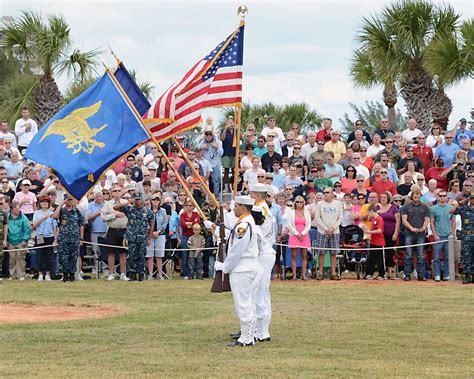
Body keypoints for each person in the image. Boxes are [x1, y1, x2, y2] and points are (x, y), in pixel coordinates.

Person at [211, 195, 260, 347]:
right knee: (248, 302)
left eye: (237, 205)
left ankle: (246, 338)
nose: (234, 208)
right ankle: (249, 335)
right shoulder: (244, 223)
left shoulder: (243, 226)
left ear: (244, 207)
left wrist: (224, 267)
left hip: (242, 268)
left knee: (243, 303)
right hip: (247, 267)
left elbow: (236, 251)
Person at [249, 183, 275, 343]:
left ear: (258, 195)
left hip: (263, 252)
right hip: (264, 252)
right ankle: (255, 327)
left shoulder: (261, 209)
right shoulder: (263, 207)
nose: (251, 196)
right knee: (258, 290)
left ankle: (262, 330)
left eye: (252, 194)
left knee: (260, 289)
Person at [114, 191, 154, 281]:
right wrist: (128, 202)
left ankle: (141, 275)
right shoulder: (129, 209)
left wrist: (149, 238)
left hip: (142, 237)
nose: (137, 201)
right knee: (131, 256)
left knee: (141, 256)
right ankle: (131, 274)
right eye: (135, 199)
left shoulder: (147, 211)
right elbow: (115, 207)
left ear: (142, 199)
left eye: (139, 199)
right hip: (131, 237)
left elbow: (152, 225)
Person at [100, 185, 129, 280]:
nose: (117, 192)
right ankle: (111, 273)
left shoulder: (125, 203)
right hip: (112, 230)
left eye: (119, 191)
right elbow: (103, 217)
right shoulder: (107, 204)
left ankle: (123, 274)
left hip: (124, 230)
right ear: (112, 193)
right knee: (111, 253)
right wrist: (114, 215)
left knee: (123, 253)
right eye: (115, 191)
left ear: (121, 192)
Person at [53, 195, 85, 282]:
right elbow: (55, 216)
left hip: (75, 238)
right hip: (63, 238)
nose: (70, 201)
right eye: (68, 200)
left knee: (73, 257)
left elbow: (81, 224)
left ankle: (72, 275)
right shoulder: (62, 211)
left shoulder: (77, 211)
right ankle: (65, 275)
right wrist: (61, 204)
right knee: (63, 258)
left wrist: (81, 238)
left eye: (71, 200)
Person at [400, 190, 430, 281]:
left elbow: (427, 219)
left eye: (418, 197)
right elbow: (404, 220)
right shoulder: (406, 207)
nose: (417, 199)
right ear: (412, 197)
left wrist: (424, 227)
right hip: (409, 233)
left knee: (421, 255)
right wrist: (411, 228)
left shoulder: (425, 207)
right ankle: (407, 274)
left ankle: (421, 275)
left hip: (420, 234)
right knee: (408, 254)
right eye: (415, 197)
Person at [314, 187, 343, 280]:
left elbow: (340, 218)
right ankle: (321, 273)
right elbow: (317, 218)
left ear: (332, 194)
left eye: (327, 192)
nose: (325, 194)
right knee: (321, 253)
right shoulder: (320, 204)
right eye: (324, 192)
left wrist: (333, 228)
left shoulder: (338, 204)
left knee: (333, 253)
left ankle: (333, 273)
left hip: (335, 232)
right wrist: (326, 229)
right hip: (322, 232)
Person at [430, 190, 455, 282]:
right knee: (436, 257)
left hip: (448, 236)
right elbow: (431, 222)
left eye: (444, 196)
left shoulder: (451, 208)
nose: (442, 197)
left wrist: (453, 233)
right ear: (437, 197)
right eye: (440, 196)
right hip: (438, 236)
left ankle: (446, 274)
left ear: (447, 197)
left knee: (448, 257)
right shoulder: (433, 209)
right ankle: (437, 274)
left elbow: (453, 221)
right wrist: (435, 234)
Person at [33, 196, 57, 281]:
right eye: (43, 202)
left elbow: (54, 227)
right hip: (40, 236)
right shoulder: (37, 213)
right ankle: (40, 274)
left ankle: (47, 274)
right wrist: (43, 217)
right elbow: (35, 224)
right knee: (40, 255)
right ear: (40, 204)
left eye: (46, 202)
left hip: (49, 236)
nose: (45, 203)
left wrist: (55, 239)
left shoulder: (52, 213)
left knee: (49, 256)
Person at [287, 195, 311, 280]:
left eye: (301, 202)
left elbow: (308, 225)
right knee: (294, 255)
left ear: (303, 203)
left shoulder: (306, 213)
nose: (299, 203)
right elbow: (289, 225)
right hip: (294, 235)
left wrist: (302, 234)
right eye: (297, 202)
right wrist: (297, 234)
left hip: (304, 235)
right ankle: (294, 275)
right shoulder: (291, 212)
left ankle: (304, 274)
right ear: (295, 203)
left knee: (304, 256)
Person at [377, 192, 400, 279]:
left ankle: (390, 273)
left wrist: (396, 233)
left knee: (390, 253)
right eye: (381, 197)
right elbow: (369, 216)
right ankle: (381, 273)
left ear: (388, 199)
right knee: (380, 253)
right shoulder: (376, 207)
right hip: (379, 235)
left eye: (384, 197)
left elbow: (398, 221)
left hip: (391, 234)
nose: (383, 199)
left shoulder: (394, 207)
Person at [146, 192, 168, 280]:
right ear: (151, 201)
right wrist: (151, 233)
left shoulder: (163, 211)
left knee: (159, 256)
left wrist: (158, 232)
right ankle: (150, 274)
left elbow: (165, 223)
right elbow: (145, 222)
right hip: (149, 236)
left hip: (160, 235)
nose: (155, 201)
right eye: (154, 199)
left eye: (157, 199)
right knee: (150, 256)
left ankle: (160, 274)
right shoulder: (147, 210)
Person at [7, 202, 31, 280]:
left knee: (21, 258)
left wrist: (25, 240)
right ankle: (12, 275)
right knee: (12, 259)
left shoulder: (23, 218)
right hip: (10, 241)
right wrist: (6, 240)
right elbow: (5, 229)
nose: (18, 210)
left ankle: (21, 275)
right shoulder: (7, 217)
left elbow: (27, 229)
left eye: (18, 209)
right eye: (16, 209)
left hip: (21, 241)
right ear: (11, 209)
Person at [179, 198, 201, 280]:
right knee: (185, 255)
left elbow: (197, 223)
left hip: (194, 238)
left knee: (195, 255)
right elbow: (182, 225)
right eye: (187, 205)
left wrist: (188, 223)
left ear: (193, 207)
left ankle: (194, 272)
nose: (188, 207)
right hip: (185, 237)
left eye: (190, 205)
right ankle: (186, 273)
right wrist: (191, 224)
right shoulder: (182, 215)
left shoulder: (196, 214)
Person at [199, 127, 223, 197]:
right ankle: (206, 196)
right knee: (205, 179)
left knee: (216, 180)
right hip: (205, 163)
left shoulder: (217, 142)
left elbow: (221, 153)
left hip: (215, 163)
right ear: (205, 135)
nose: (209, 136)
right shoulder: (202, 141)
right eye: (207, 134)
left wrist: (217, 147)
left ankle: (216, 196)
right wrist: (202, 148)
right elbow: (196, 150)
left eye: (210, 134)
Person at [364, 205, 386, 280]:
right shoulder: (373, 219)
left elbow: (379, 230)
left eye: (369, 213)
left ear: (371, 211)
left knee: (380, 259)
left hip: (379, 242)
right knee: (371, 259)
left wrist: (369, 232)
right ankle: (369, 273)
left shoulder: (379, 219)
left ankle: (382, 274)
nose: (368, 214)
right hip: (373, 242)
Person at [220, 117, 236, 192]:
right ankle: (226, 187)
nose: (231, 124)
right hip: (226, 153)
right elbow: (222, 138)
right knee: (226, 171)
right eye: (229, 123)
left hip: (234, 154)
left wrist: (237, 128)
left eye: (232, 123)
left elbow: (241, 137)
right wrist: (225, 129)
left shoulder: (235, 131)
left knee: (234, 171)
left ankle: (233, 186)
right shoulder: (224, 131)